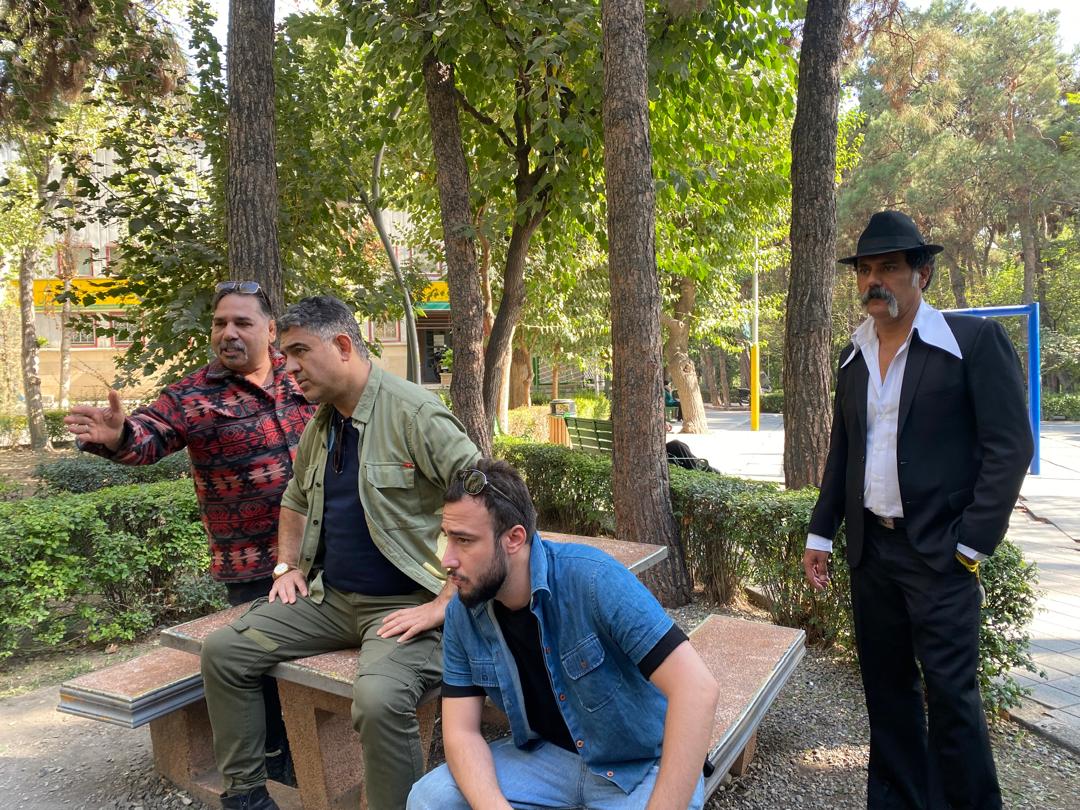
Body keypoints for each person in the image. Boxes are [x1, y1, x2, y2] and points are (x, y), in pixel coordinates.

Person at [199, 295, 480, 810]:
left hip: (405, 605)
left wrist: (445, 602)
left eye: (299, 352)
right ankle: (245, 796)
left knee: (378, 701)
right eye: (285, 355)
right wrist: (286, 566)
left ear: (344, 346)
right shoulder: (325, 423)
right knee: (224, 652)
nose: (289, 368)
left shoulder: (415, 414)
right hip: (329, 598)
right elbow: (295, 498)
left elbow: (487, 505)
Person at [802, 210, 1033, 810]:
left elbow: (1010, 447)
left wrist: (971, 543)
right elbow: (843, 451)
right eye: (865, 270)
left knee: (953, 698)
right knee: (887, 693)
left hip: (940, 554)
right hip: (871, 554)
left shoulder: (971, 344)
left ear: (921, 274)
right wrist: (822, 532)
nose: (873, 281)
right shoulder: (852, 357)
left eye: (889, 268)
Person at [65, 280, 316, 781]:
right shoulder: (191, 395)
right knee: (260, 665)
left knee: (320, 656)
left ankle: (319, 746)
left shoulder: (301, 378)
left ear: (270, 330)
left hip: (324, 550)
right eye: (220, 323)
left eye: (242, 322)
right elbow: (148, 437)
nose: (229, 333)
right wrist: (118, 437)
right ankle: (275, 760)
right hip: (252, 564)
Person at [408, 459, 720, 810]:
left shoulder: (593, 579)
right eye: (447, 537)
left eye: (464, 541)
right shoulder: (464, 611)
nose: (447, 559)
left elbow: (697, 690)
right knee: (429, 798)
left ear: (514, 538)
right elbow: (461, 732)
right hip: (548, 758)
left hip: (639, 764)